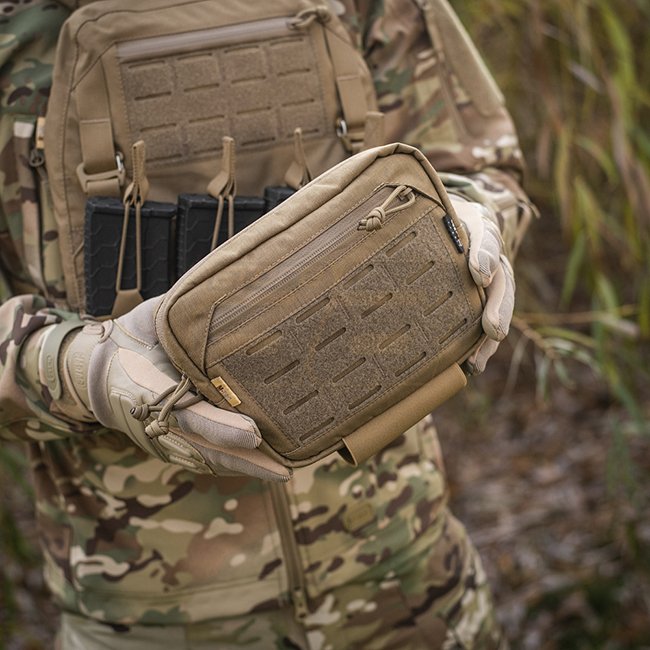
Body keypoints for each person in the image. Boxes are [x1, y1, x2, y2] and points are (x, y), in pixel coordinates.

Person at [0, 0, 535, 647]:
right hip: (153, 613)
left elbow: (479, 162)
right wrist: (81, 371)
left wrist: (467, 220)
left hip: (406, 569)